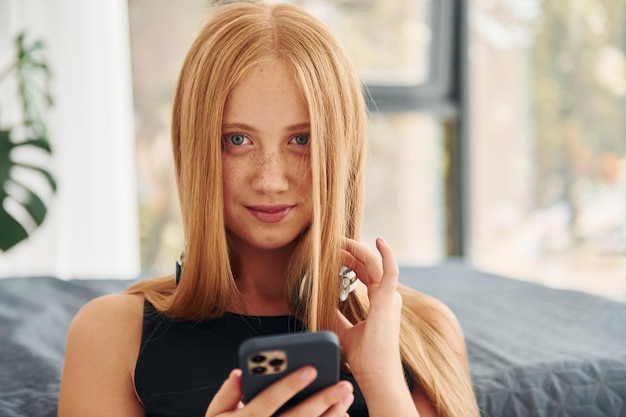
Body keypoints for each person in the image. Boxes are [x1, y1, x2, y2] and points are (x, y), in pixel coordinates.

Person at [58, 1, 480, 416]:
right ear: (195, 149)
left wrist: (381, 380)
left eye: (301, 140)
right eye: (237, 140)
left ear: (342, 150)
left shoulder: (424, 331)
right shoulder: (113, 334)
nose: (271, 179)